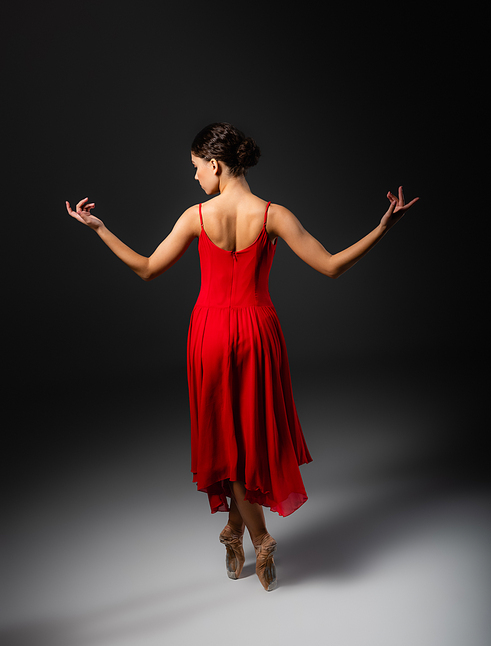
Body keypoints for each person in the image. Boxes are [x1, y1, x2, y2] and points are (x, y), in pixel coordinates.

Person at [66, 121, 418, 592]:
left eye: (195, 168)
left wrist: (100, 228)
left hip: (210, 333)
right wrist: (381, 227)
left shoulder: (196, 216)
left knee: (226, 442)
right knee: (248, 437)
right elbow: (332, 266)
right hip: (257, 332)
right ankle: (234, 531)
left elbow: (147, 268)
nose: (194, 177)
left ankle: (259, 537)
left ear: (214, 164)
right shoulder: (274, 214)